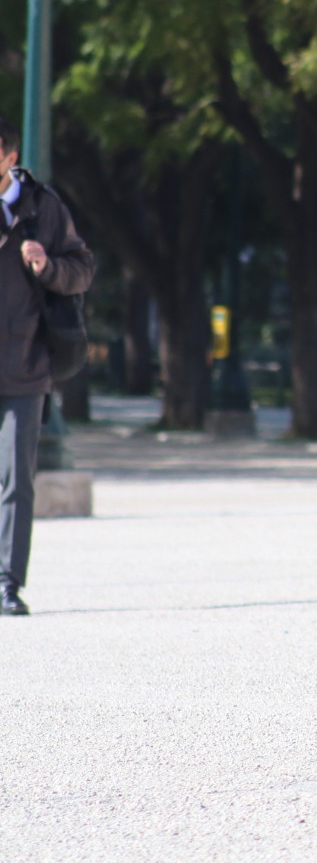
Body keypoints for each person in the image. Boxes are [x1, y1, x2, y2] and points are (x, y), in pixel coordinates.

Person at [0, 120, 96, 617]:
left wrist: (47, 266)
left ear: (8, 158)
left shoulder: (44, 208)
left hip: (25, 367)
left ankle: (7, 583)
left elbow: (83, 267)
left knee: (17, 479)